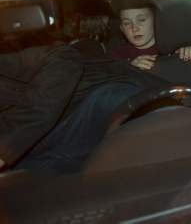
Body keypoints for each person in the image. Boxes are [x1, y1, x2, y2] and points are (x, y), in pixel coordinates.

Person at [0, 45, 163, 173]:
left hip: (86, 105)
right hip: (37, 156)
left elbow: (62, 56)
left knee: (115, 101)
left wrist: (9, 143)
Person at [106, 5, 159, 71]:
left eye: (141, 20)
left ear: (156, 21)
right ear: (122, 28)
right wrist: (129, 67)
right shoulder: (116, 51)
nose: (134, 29)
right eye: (127, 23)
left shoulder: (169, 48)